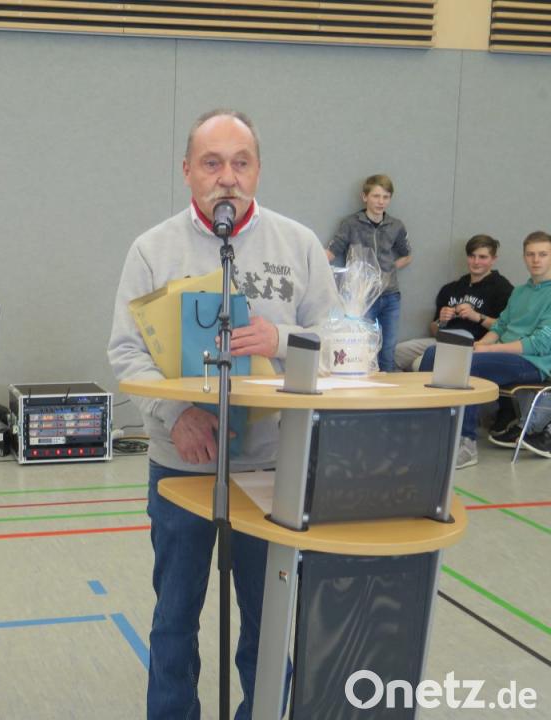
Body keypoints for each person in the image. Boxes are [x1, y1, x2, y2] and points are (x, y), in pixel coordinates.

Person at [108, 109, 339, 720]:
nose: (227, 177)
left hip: (273, 466)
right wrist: (177, 413)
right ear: (187, 170)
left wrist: (281, 340)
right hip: (180, 462)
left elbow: (340, 345)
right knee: (175, 615)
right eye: (212, 163)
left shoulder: (299, 245)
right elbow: (126, 352)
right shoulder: (152, 249)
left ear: (258, 170)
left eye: (241, 162)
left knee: (267, 619)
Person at [419, 231, 551, 467]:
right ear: (524, 257)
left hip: (533, 362)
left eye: (543, 254)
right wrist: (479, 345)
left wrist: (488, 351)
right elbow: (500, 327)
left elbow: (539, 344)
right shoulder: (520, 292)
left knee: (470, 364)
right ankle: (426, 428)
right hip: (503, 353)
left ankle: (466, 443)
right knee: (434, 354)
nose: (536, 260)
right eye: (530, 254)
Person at [327, 174, 411, 372]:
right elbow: (332, 252)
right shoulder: (350, 223)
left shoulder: (396, 225)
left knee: (388, 349)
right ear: (365, 197)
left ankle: (388, 389)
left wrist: (388, 269)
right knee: (363, 349)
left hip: (390, 296)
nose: (381, 202)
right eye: (376, 196)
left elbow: (407, 255)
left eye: (386, 197)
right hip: (362, 299)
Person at [394, 234, 513, 372]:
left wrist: (477, 317)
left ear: (493, 259)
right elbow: (434, 330)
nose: (476, 262)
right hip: (443, 341)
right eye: (472, 256)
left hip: (474, 346)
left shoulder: (503, 289)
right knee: (396, 353)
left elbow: (507, 329)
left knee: (419, 363)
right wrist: (441, 321)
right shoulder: (452, 288)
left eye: (482, 257)